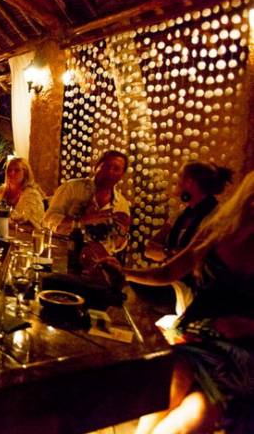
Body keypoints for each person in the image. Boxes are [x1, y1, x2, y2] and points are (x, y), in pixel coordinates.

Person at [100, 170, 254, 434]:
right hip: (198, 336)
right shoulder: (219, 228)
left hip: (242, 352)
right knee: (169, 387)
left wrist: (248, 326)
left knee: (193, 414)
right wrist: (125, 273)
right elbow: (170, 271)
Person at [43, 150, 131, 254]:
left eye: (116, 169)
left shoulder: (122, 204)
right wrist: (83, 220)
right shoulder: (71, 188)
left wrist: (123, 230)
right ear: (96, 166)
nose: (110, 172)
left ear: (121, 175)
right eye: (107, 166)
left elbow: (116, 246)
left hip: (99, 260)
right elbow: (48, 220)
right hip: (64, 254)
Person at [146, 161, 233, 263]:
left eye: (180, 176)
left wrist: (166, 252)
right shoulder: (180, 215)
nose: (176, 181)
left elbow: (199, 256)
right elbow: (149, 249)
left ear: (190, 182)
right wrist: (170, 252)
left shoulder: (216, 216)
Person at [0, 157, 45, 227]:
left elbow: (19, 218)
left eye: (17, 170)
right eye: (9, 170)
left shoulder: (32, 195)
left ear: (25, 174)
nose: (12, 173)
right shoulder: (1, 191)